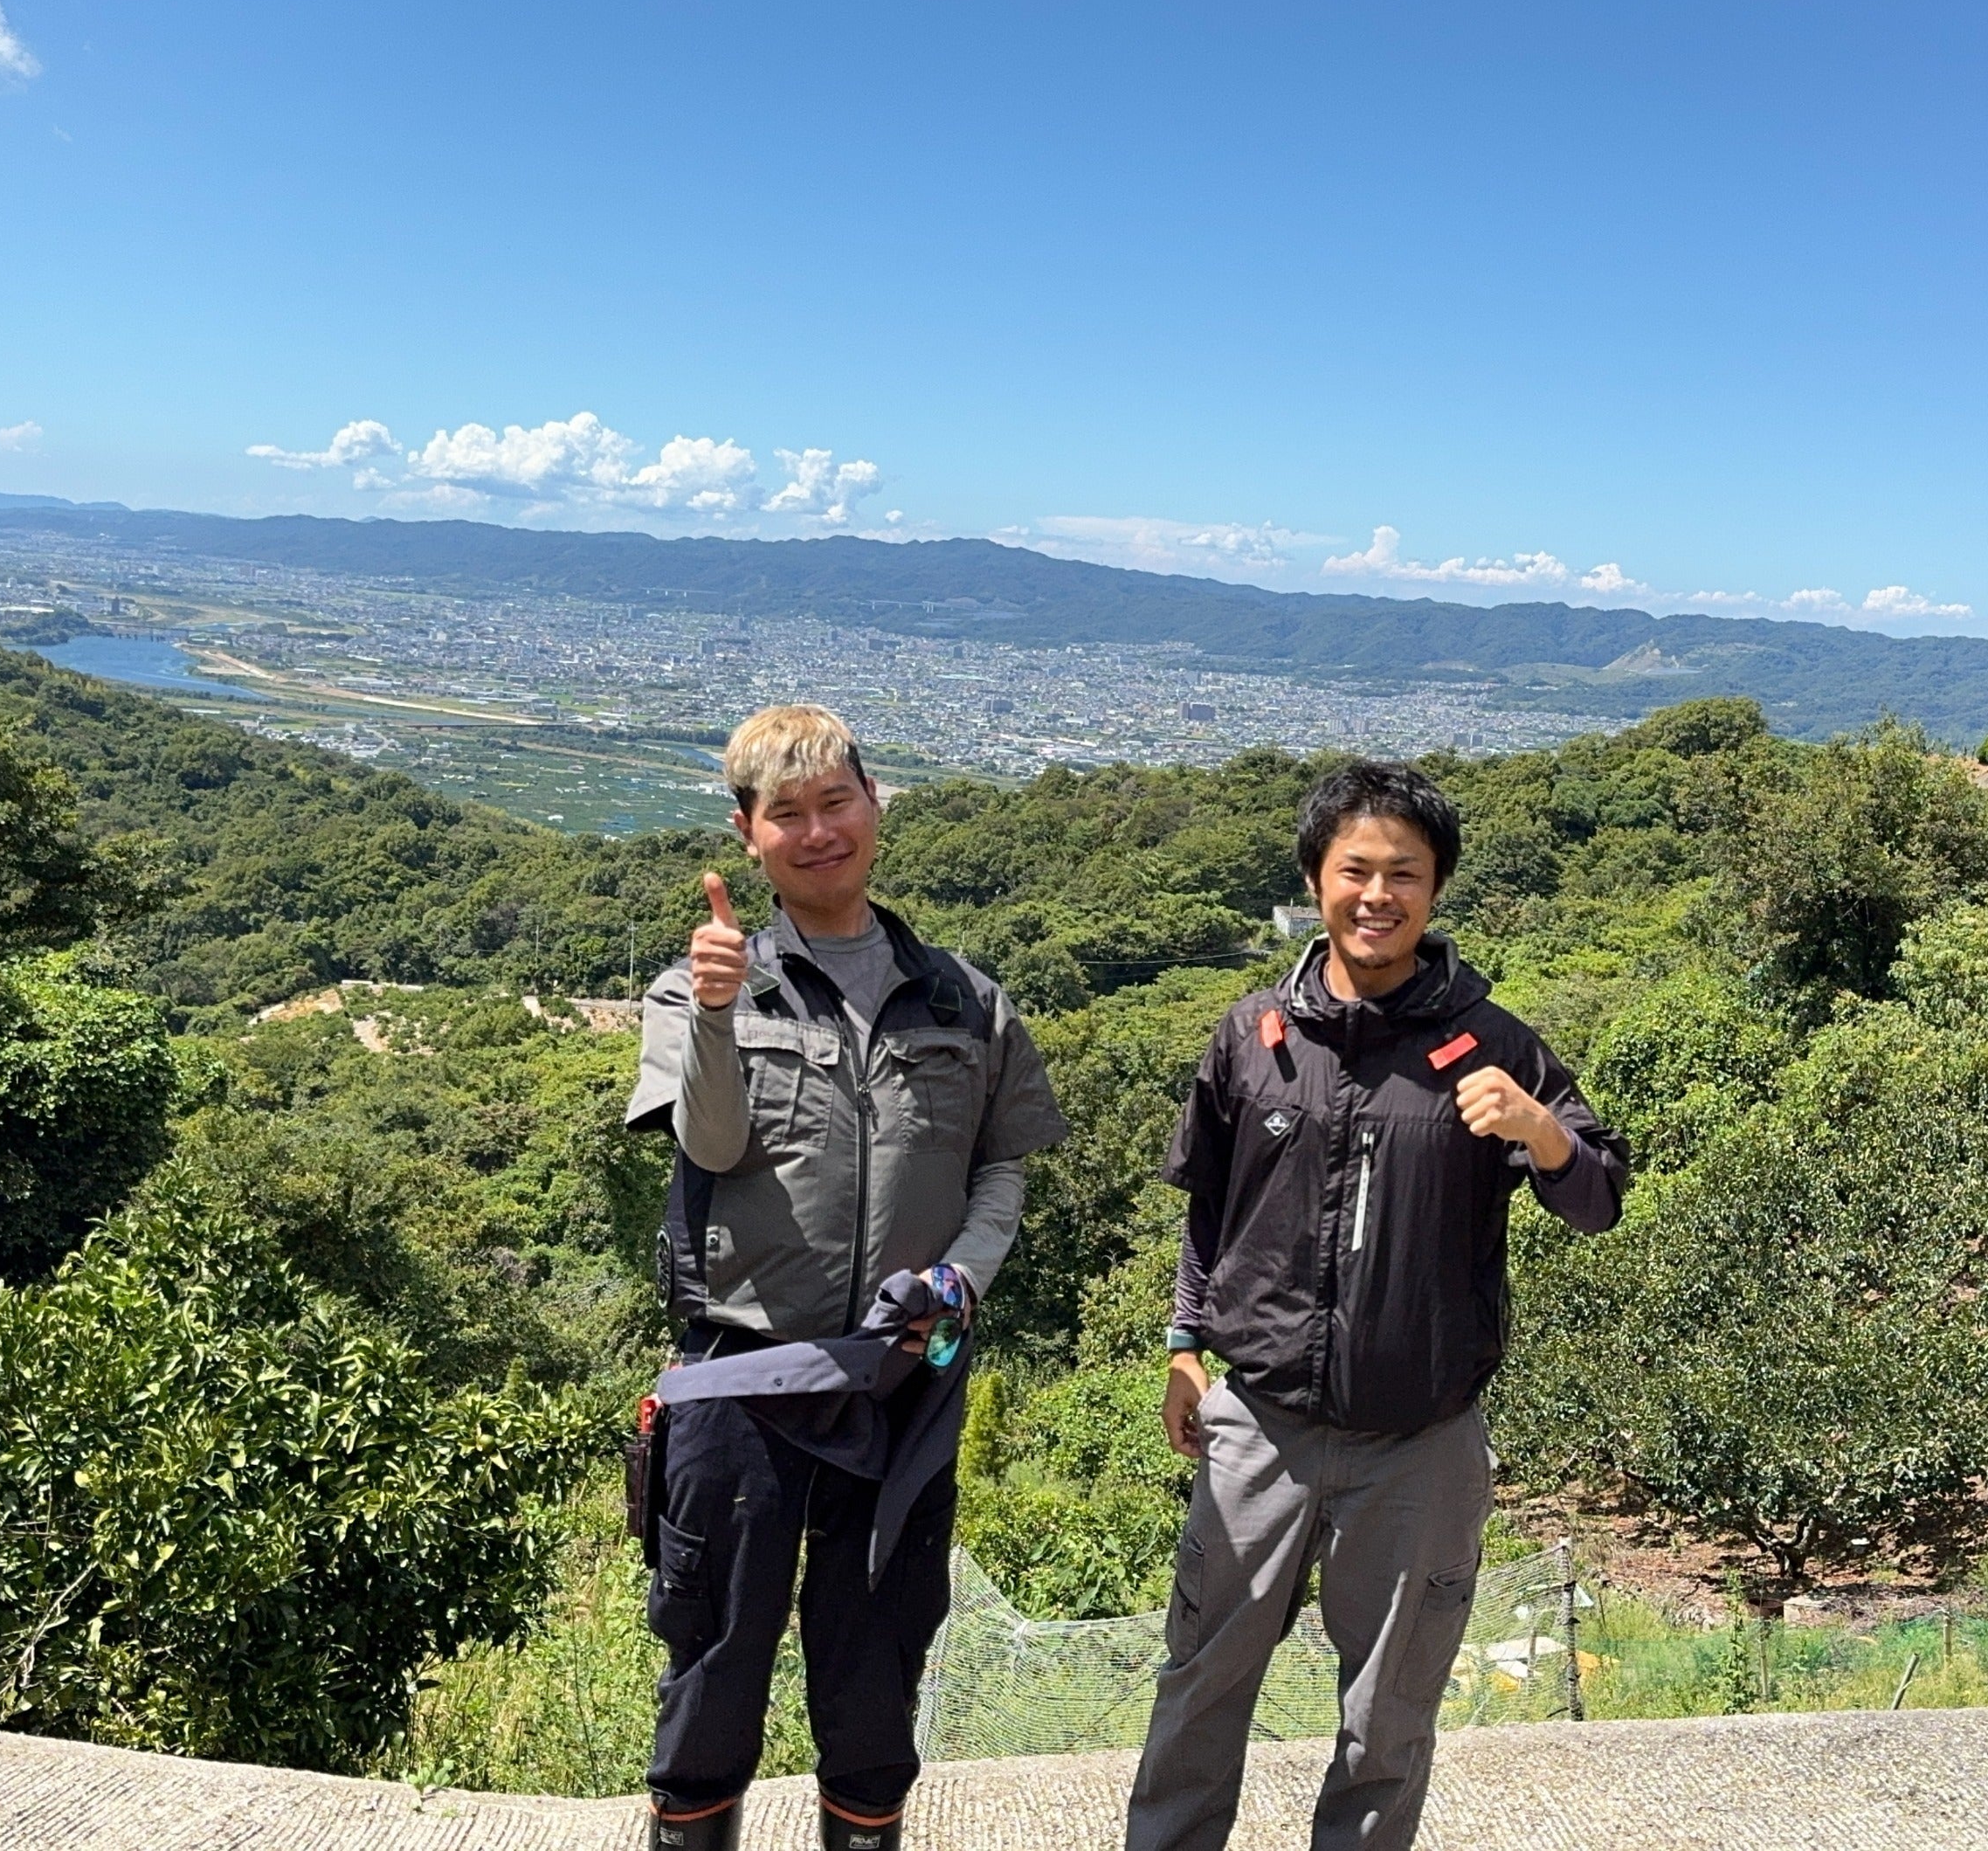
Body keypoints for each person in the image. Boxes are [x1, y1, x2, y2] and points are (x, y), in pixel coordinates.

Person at [1126, 760, 1629, 1851]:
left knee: (1387, 1720)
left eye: (1405, 873)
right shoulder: (1253, 1036)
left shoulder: (1497, 1045)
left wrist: (1541, 1130)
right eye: (1356, 870)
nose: (1377, 895)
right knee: (1201, 1688)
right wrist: (1183, 1344)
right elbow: (1209, 1211)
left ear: (1436, 889)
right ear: (1317, 878)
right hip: (1258, 1426)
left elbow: (1596, 1201)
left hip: (1422, 1443)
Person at [625, 705, 1067, 1851]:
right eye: (789, 813)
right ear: (748, 831)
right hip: (742, 1378)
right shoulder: (696, 987)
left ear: (876, 804)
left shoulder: (966, 999)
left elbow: (1002, 1166)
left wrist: (963, 1280)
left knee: (878, 1676)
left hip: (903, 1377)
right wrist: (715, 1014)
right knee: (711, 1670)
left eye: (836, 803)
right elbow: (711, 1143)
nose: (818, 832)